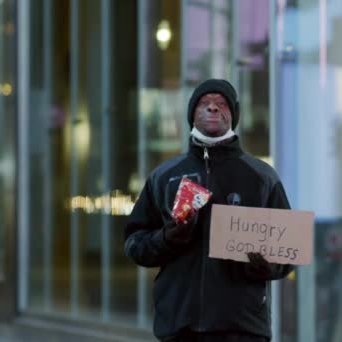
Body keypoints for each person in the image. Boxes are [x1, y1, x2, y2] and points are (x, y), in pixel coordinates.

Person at [124, 79, 294, 342]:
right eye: (205, 103)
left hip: (242, 327)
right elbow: (134, 243)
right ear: (191, 114)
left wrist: (263, 265)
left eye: (222, 103)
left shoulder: (262, 177)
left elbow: (287, 254)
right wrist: (166, 239)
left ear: (233, 115)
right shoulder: (165, 176)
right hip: (180, 326)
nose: (213, 108)